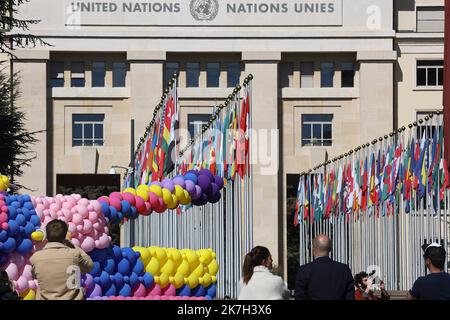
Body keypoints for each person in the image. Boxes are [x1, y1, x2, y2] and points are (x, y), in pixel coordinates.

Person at [30, 219, 94, 300]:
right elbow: (89, 266)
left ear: (47, 236)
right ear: (65, 236)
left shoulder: (35, 258)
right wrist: (73, 246)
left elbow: (35, 275)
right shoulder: (74, 254)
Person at [295, 234, 354, 300]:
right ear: (330, 249)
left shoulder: (304, 270)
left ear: (313, 249)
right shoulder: (344, 270)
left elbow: (300, 296)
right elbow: (350, 296)